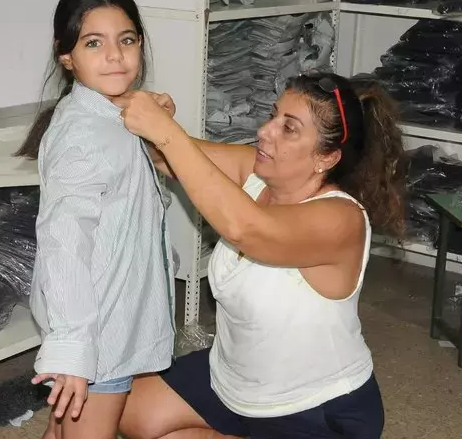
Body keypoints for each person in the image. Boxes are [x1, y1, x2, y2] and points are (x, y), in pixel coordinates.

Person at [114, 73, 405, 438]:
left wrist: (167, 133)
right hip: (233, 382)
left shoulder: (342, 218)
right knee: (127, 410)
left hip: (316, 407)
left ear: (326, 157)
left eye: (290, 128)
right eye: (273, 115)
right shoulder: (255, 171)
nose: (266, 131)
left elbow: (247, 229)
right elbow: (167, 157)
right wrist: (149, 119)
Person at [15, 0, 175, 438]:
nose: (115, 56)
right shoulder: (84, 137)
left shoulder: (105, 115)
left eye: (126, 40)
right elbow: (63, 243)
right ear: (66, 55)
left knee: (62, 429)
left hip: (102, 314)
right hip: (101, 327)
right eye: (93, 43)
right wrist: (73, 348)